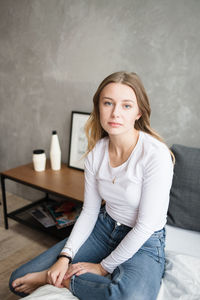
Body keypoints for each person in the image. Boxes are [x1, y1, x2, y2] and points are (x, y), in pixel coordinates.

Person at [9, 71, 174, 300]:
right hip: (104, 228)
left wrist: (102, 267)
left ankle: (68, 280)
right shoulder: (96, 153)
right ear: (98, 108)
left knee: (130, 297)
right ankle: (57, 274)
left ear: (139, 112)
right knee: (17, 280)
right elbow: (89, 211)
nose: (115, 113)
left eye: (126, 106)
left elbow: (145, 226)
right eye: (108, 103)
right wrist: (65, 257)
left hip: (144, 240)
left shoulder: (156, 155)